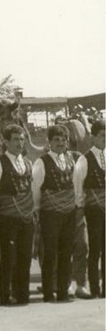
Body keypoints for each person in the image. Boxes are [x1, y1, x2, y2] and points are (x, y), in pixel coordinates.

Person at [0, 124, 34, 305]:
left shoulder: (28, 163)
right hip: (6, 218)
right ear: (5, 141)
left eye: (22, 139)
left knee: (25, 257)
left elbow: (30, 190)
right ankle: (5, 296)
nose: (19, 143)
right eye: (15, 139)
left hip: (26, 218)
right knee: (8, 258)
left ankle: (22, 295)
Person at [32, 124, 78, 303]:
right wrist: (37, 210)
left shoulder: (71, 160)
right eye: (56, 140)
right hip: (50, 213)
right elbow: (35, 189)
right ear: (49, 142)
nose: (60, 143)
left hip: (69, 213)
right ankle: (48, 293)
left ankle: (63, 292)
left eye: (63, 140)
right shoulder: (41, 162)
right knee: (50, 253)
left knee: (66, 252)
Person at [73, 118, 105, 298]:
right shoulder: (84, 160)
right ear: (93, 137)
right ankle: (95, 288)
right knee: (95, 249)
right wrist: (80, 207)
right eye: (102, 136)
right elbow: (78, 186)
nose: (105, 139)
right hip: (93, 210)